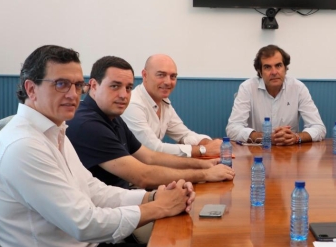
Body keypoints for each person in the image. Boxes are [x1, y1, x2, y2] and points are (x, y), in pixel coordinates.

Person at [0, 45, 195, 247]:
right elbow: (84, 224)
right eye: (61, 84)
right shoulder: (22, 146)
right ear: (31, 89)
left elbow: (93, 189)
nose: (73, 94)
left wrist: (151, 197)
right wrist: (159, 208)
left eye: (76, 85)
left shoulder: (54, 130)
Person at [66, 55, 235, 191]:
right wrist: (205, 174)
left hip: (122, 198)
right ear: (94, 86)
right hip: (109, 212)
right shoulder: (88, 124)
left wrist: (204, 164)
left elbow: (150, 156)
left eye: (128, 87)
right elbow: (143, 176)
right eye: (115, 86)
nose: (124, 95)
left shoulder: (112, 114)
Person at [121, 54, 222, 158]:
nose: (168, 82)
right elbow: (154, 149)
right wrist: (203, 150)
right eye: (161, 75)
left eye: (173, 76)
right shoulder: (133, 104)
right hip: (128, 171)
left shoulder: (164, 103)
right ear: (145, 75)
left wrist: (208, 143)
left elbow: (184, 135)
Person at [226, 44, 326, 145]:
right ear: (260, 72)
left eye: (278, 66)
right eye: (267, 67)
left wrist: (296, 137)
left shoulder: (298, 88)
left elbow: (319, 128)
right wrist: (266, 137)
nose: (274, 72)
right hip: (256, 153)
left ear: (285, 69)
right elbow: (233, 128)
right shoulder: (247, 88)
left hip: (290, 152)